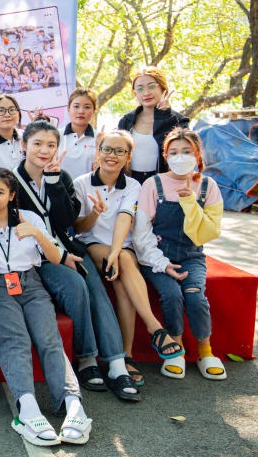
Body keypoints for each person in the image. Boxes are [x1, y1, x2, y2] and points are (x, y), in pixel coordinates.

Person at [14, 121, 139, 401]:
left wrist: (54, 182)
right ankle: (87, 358)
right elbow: (14, 229)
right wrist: (58, 255)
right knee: (75, 284)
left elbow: (66, 220)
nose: (44, 150)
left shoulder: (63, 177)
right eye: (37, 144)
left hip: (68, 247)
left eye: (51, 145)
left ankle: (117, 364)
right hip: (34, 258)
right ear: (24, 145)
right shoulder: (11, 180)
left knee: (94, 285)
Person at [0, 168, 91, 447]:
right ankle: (27, 408)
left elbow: (55, 258)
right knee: (15, 340)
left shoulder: (30, 219)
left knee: (49, 340)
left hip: (32, 283)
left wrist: (38, 234)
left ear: (12, 195)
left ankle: (72, 403)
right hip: (0, 287)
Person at [72, 130, 184, 386]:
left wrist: (115, 251)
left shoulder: (134, 186)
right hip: (93, 244)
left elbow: (125, 217)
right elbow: (78, 227)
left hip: (122, 247)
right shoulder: (81, 183)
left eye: (119, 151)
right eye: (107, 149)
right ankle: (154, 328)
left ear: (128, 157)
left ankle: (126, 356)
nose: (112, 156)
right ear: (98, 151)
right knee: (122, 259)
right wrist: (95, 214)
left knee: (123, 280)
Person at [134, 128, 226, 380]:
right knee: (172, 295)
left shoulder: (208, 186)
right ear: (165, 156)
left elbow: (208, 232)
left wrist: (189, 203)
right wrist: (162, 264)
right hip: (157, 256)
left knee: (196, 297)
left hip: (192, 255)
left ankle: (206, 351)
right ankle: (176, 347)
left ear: (197, 154)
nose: (180, 156)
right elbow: (141, 232)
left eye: (187, 151)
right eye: (173, 152)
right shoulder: (153, 184)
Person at [118, 66, 189, 183]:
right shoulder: (126, 121)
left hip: (164, 182)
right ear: (135, 93)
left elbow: (179, 154)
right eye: (140, 89)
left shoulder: (178, 121)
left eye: (151, 86)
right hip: (130, 182)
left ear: (163, 88)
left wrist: (163, 117)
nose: (146, 93)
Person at [59, 87, 99, 179]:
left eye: (87, 107)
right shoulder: (56, 136)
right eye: (76, 106)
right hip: (59, 187)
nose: (81, 111)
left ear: (93, 111)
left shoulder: (100, 139)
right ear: (68, 109)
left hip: (88, 187)